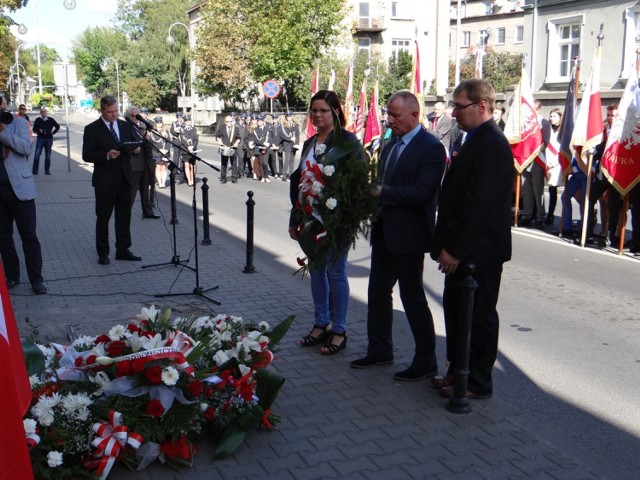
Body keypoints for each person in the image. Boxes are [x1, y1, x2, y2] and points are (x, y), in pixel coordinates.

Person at [350, 91, 446, 380]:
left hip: (410, 236)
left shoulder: (430, 147)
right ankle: (380, 349)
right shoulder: (390, 145)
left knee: (412, 297)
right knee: (377, 293)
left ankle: (426, 359)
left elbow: (424, 193)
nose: (389, 120)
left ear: (415, 115)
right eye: (388, 114)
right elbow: (381, 182)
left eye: (395, 115)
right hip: (384, 232)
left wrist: (384, 193)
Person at [430, 79, 513, 400]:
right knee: (457, 312)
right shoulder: (474, 139)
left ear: (481, 107)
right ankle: (457, 371)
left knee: (478, 318)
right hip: (465, 251)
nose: (453, 112)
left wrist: (455, 249)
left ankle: (477, 381)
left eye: (459, 106)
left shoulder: (492, 143)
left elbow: (478, 205)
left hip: (479, 252)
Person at [288, 90, 359, 355]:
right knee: (317, 272)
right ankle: (321, 323)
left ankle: (339, 329)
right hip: (310, 220)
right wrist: (295, 219)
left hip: (336, 221)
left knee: (336, 273)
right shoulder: (309, 142)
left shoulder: (347, 142)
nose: (317, 116)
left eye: (323, 111)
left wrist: (342, 212)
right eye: (314, 111)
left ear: (336, 112)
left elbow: (357, 183)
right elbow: (299, 182)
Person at [82, 95, 141, 265]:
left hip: (124, 177)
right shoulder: (92, 129)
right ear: (102, 110)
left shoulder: (124, 125)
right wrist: (106, 155)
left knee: (124, 216)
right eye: (110, 112)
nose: (114, 115)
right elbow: (87, 154)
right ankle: (103, 252)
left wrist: (135, 149)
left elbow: (131, 144)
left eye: (116, 111)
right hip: (105, 181)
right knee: (103, 218)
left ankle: (123, 249)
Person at [0, 93, 47, 294]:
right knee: (3, 237)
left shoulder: (18, 123)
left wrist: (3, 131)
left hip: (20, 188)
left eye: (2, 108)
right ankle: (12, 276)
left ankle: (37, 279)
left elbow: (26, 148)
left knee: (29, 235)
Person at [520, 100, 549, 228]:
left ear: (538, 109)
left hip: (537, 159)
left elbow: (545, 142)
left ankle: (540, 217)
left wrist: (532, 152)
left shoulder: (544, 123)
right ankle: (527, 214)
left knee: (538, 190)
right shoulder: (526, 123)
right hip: (525, 159)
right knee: (526, 190)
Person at [545, 108, 563, 225]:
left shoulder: (563, 132)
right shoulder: (547, 129)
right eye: (551, 116)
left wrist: (554, 162)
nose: (552, 118)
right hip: (545, 161)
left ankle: (550, 214)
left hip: (556, 163)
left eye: (555, 116)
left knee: (552, 189)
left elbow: (562, 150)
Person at [31, 106, 60, 175]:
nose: (44, 113)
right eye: (42, 112)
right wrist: (38, 130)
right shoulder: (38, 120)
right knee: (37, 155)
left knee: (48, 155)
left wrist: (53, 132)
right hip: (40, 139)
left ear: (46, 112)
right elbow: (34, 129)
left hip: (49, 139)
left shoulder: (51, 119)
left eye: (45, 111)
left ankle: (47, 170)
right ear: (40, 113)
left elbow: (57, 126)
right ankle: (35, 171)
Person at [216, 115, 241, 184]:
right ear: (225, 122)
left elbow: (238, 137)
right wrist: (220, 142)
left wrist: (236, 143)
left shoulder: (235, 128)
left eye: (230, 121)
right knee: (224, 164)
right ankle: (223, 178)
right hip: (225, 148)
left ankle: (234, 178)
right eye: (227, 121)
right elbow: (217, 136)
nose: (229, 123)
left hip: (233, 148)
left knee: (234, 163)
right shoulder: (222, 128)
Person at [149, 117, 171, 189]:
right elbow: (152, 143)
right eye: (158, 123)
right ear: (155, 123)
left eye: (160, 122)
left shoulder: (165, 131)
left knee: (164, 167)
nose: (159, 124)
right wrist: (159, 150)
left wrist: (167, 150)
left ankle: (163, 183)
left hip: (165, 152)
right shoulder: (152, 132)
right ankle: (160, 182)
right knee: (158, 167)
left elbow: (169, 142)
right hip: (156, 152)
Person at [278, 110, 299, 181]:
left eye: (290, 116)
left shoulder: (295, 124)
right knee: (287, 160)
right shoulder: (283, 125)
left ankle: (291, 174)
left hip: (293, 144)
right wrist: (290, 139)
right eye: (288, 116)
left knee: (292, 160)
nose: (289, 118)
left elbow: (297, 135)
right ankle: (284, 175)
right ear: (286, 117)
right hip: (286, 144)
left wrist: (296, 143)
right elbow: (281, 135)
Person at [179, 114, 199, 186]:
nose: (188, 122)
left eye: (189, 120)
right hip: (185, 149)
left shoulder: (194, 129)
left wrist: (192, 146)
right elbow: (182, 140)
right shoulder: (182, 130)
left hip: (193, 149)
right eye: (187, 121)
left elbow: (196, 140)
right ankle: (189, 180)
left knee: (193, 165)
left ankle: (193, 178)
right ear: (184, 122)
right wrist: (188, 147)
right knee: (186, 165)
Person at [251, 114, 271, 182]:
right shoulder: (255, 130)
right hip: (259, 148)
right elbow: (256, 141)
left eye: (260, 121)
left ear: (263, 122)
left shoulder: (267, 129)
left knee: (265, 163)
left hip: (266, 149)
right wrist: (263, 143)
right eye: (258, 121)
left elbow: (269, 138)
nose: (259, 123)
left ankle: (266, 176)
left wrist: (268, 144)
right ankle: (262, 177)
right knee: (261, 163)